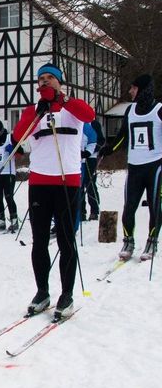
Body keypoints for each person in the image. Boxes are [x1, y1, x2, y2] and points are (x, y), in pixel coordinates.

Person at [14, 63, 95, 320]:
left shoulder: (72, 108)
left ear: (60, 82)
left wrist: (62, 99)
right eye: (41, 79)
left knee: (65, 240)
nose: (45, 82)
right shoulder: (33, 111)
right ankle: (42, 291)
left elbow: (89, 115)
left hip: (66, 181)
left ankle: (66, 294)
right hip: (39, 182)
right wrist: (37, 112)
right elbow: (19, 136)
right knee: (39, 241)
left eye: (50, 78)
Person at [99, 74, 162, 261]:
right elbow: (123, 137)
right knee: (129, 206)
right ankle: (129, 241)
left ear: (142, 90)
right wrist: (109, 149)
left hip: (155, 166)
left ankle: (152, 241)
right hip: (134, 166)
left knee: (155, 206)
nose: (130, 91)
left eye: (133, 88)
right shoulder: (130, 110)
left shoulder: (159, 110)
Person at [0, 119, 22, 232]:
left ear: (1, 130)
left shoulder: (9, 138)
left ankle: (14, 219)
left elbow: (20, 153)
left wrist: (13, 150)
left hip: (8, 173)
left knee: (8, 196)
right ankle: (1, 220)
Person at [81, 118, 105, 221]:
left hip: (90, 158)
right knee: (79, 186)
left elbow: (100, 140)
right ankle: (81, 212)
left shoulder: (93, 123)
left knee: (90, 184)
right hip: (78, 158)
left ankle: (94, 210)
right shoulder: (75, 122)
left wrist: (90, 151)